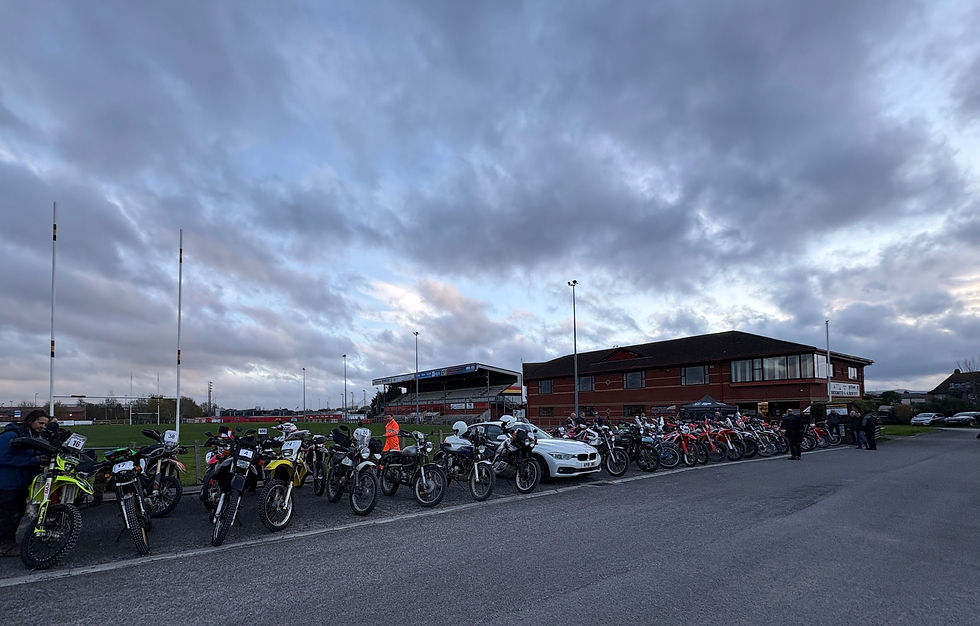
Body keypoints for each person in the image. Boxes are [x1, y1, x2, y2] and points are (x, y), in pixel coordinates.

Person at [0, 409, 47, 556]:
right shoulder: (10, 436)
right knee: (7, 516)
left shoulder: (30, 436)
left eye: (45, 424)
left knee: (16, 514)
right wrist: (33, 461)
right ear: (30, 421)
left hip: (20, 484)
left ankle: (8, 543)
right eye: (40, 423)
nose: (43, 427)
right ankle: (4, 546)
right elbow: (3, 458)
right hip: (7, 484)